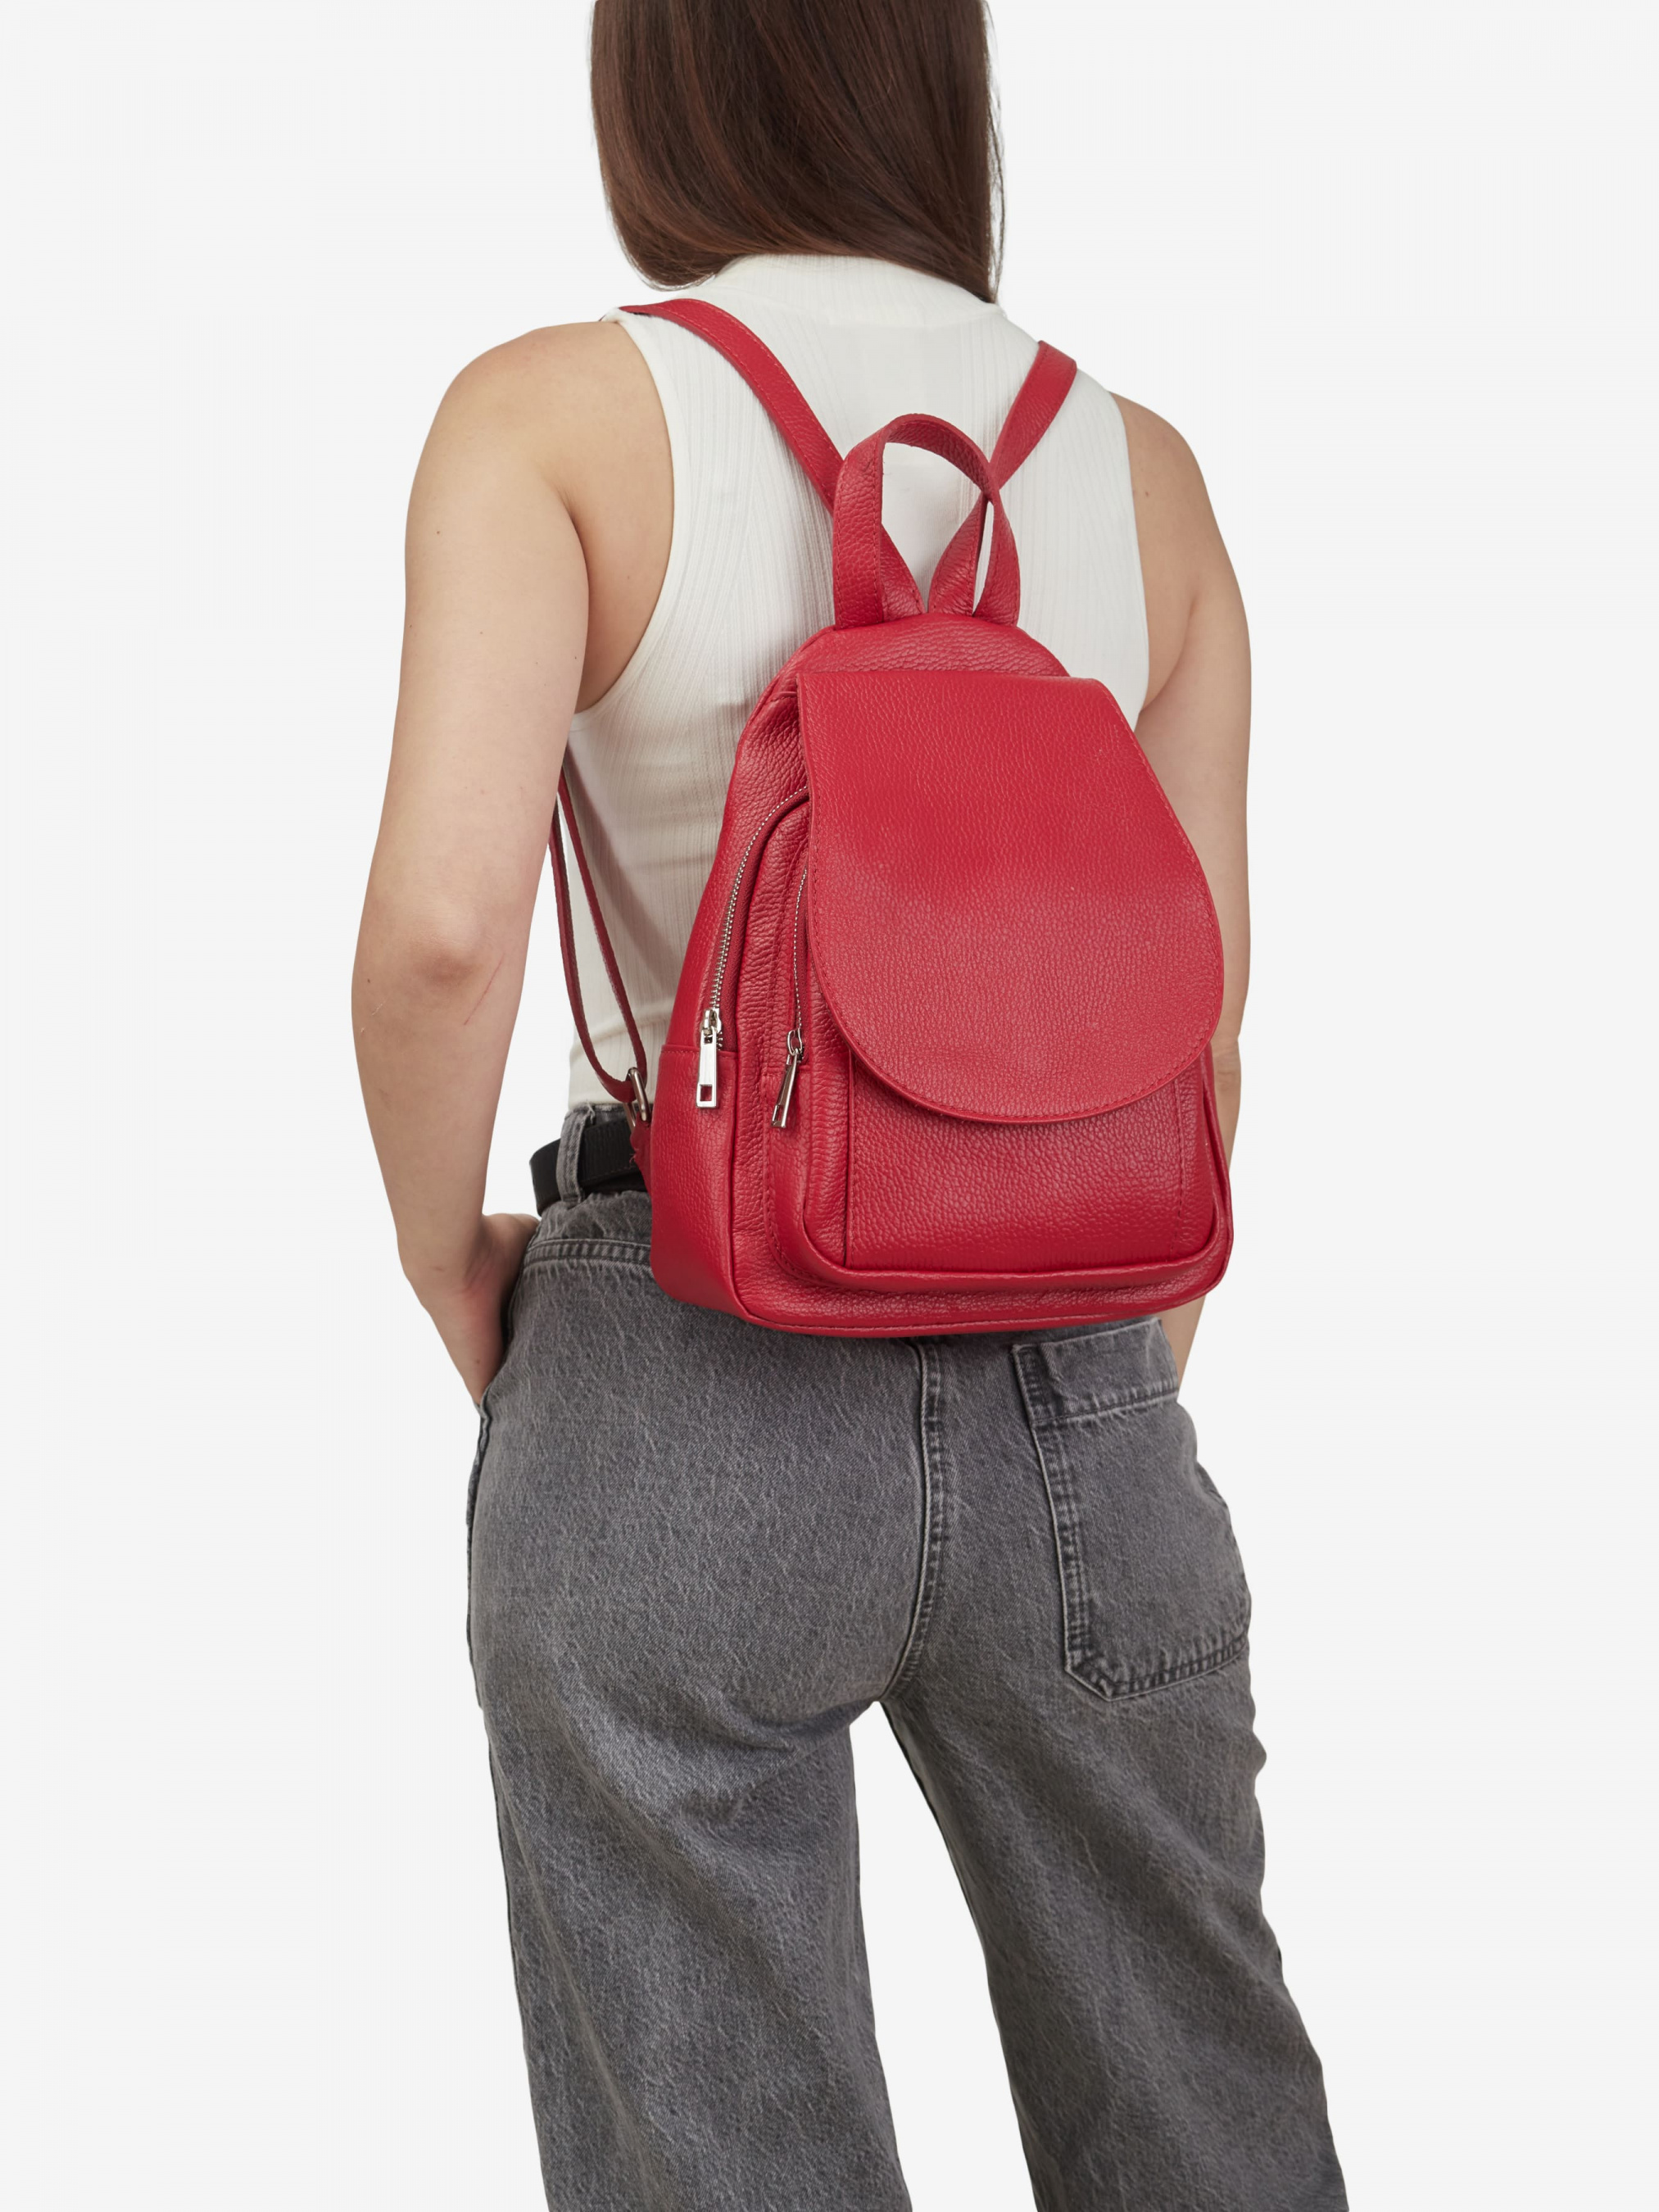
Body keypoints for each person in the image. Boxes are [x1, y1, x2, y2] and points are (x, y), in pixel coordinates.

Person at [351, 2, 1346, 2205]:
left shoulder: (553, 418)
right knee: (1205, 2118)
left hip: (677, 1348)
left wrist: (449, 1259)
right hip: (1083, 1383)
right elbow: (1200, 1027)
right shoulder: (1144, 473)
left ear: (655, 79)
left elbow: (442, 929)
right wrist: (1099, 1388)